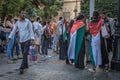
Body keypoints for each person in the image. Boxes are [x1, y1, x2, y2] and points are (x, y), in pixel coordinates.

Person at [8, 9, 34, 74]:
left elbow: (31, 30)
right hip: (21, 40)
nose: (24, 14)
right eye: (22, 13)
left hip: (27, 40)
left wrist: (32, 39)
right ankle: (26, 65)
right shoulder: (17, 23)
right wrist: (10, 37)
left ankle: (22, 67)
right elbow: (14, 30)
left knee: (25, 53)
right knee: (24, 53)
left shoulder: (28, 21)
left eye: (24, 13)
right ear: (19, 14)